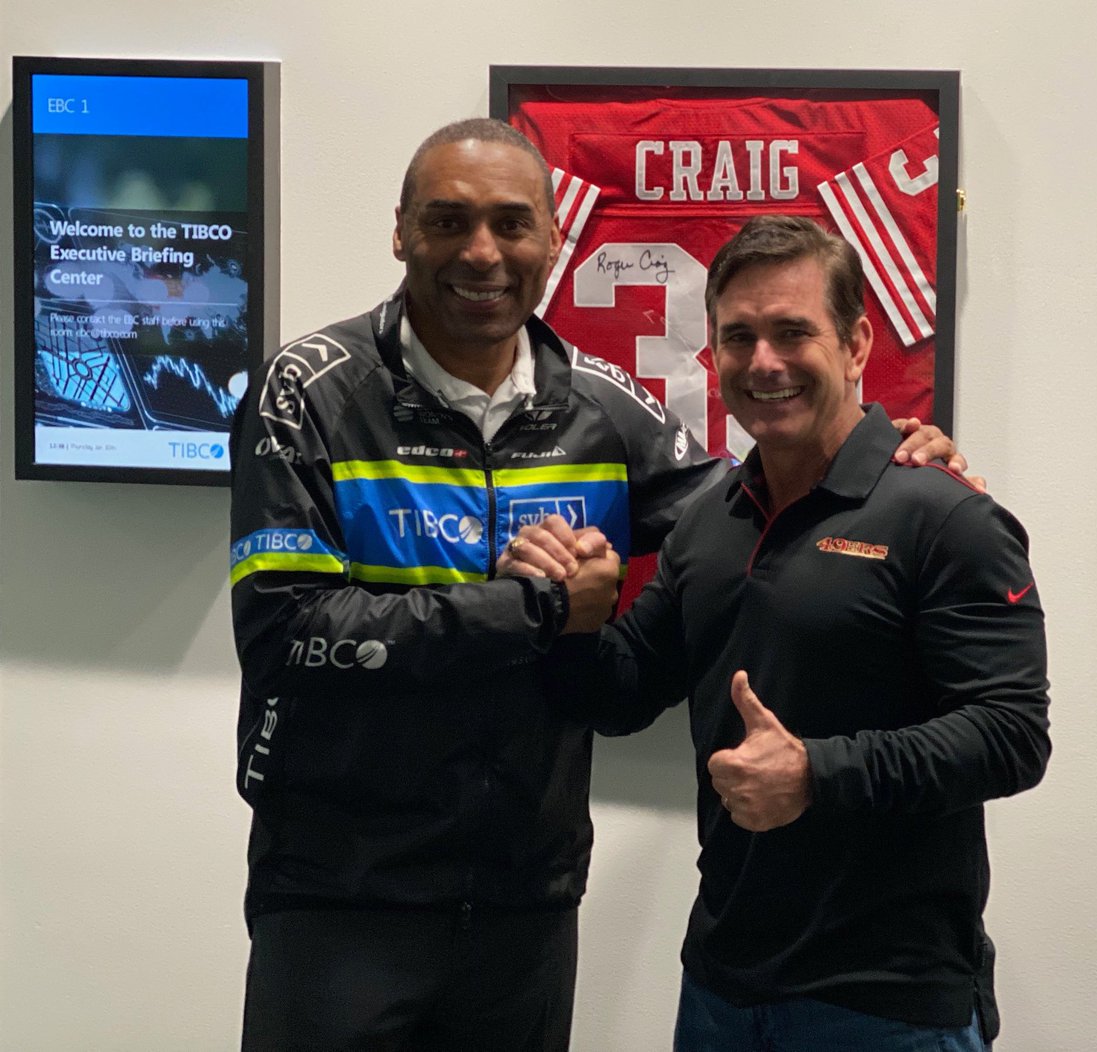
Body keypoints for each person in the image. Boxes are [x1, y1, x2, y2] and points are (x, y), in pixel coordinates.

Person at [228, 118, 971, 1051]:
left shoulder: (602, 406)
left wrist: (898, 462)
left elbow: (763, 506)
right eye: (449, 221)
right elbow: (284, 632)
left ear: (552, 239)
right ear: (401, 231)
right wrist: (532, 609)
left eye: (511, 223)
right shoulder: (308, 391)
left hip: (526, 899)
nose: (482, 252)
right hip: (338, 892)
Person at [518, 215, 1050, 1051]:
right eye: (739, 337)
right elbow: (619, 696)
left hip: (889, 1001)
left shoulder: (945, 515)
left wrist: (815, 774)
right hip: (722, 985)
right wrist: (570, 615)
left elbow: (1013, 736)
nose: (764, 362)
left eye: (793, 332)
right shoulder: (708, 523)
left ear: (856, 344)